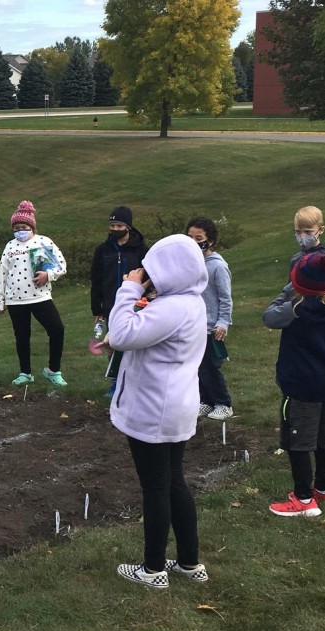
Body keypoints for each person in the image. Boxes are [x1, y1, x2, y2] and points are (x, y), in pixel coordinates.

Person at [108, 234, 209, 589]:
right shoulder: (190, 302)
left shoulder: (171, 308)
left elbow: (121, 335)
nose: (146, 275)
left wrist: (129, 289)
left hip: (154, 411)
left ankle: (152, 570)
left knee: (156, 488)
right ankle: (189, 562)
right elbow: (139, 335)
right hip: (174, 407)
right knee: (174, 482)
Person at [264, 253, 325, 516]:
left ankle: (303, 499)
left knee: (298, 441)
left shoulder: (292, 310)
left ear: (298, 283)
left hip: (299, 387)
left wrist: (288, 290)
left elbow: (269, 316)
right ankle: (324, 489)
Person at [0, 199, 68, 386]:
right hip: (15, 300)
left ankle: (53, 370)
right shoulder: (10, 246)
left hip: (40, 297)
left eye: (24, 227)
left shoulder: (44, 242)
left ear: (32, 227)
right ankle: (25, 373)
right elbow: (2, 272)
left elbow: (61, 265)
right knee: (22, 337)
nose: (20, 231)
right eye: (16, 228)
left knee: (57, 329)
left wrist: (48, 275)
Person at [89, 205, 148, 398]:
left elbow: (149, 277)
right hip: (110, 305)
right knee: (113, 342)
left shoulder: (141, 250)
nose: (115, 229)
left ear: (128, 227)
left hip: (137, 305)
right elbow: (96, 280)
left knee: (136, 344)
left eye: (119, 226)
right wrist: (97, 309)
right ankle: (116, 382)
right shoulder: (102, 250)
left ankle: (136, 382)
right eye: (112, 225)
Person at [186, 216, 234, 421]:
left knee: (210, 367)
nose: (194, 242)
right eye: (190, 237)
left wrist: (223, 322)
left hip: (210, 327)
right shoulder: (190, 263)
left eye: (199, 238)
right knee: (196, 367)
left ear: (210, 241)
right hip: (193, 325)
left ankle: (224, 404)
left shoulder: (217, 267)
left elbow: (225, 298)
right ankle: (205, 401)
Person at [288, 205, 325, 275]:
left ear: (321, 230)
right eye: (298, 232)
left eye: (307, 232)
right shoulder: (296, 258)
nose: (302, 236)